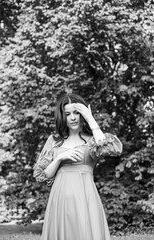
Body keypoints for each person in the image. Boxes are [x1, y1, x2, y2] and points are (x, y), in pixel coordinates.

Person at [33, 93, 123, 240]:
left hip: (86, 197)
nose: (73, 118)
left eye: (76, 113)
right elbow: (43, 175)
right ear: (62, 116)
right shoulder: (54, 140)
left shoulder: (93, 140)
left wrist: (90, 118)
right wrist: (60, 158)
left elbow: (114, 148)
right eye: (67, 114)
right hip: (60, 199)